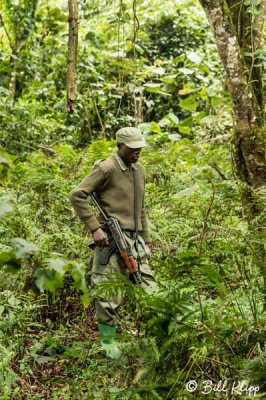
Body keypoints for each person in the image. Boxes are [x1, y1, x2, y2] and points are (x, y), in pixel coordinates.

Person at [69, 127, 157, 358]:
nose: (137, 152)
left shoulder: (139, 170)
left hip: (135, 240)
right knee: (108, 294)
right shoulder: (106, 167)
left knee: (150, 288)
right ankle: (108, 346)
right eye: (132, 148)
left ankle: (159, 340)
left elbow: (142, 208)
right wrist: (95, 227)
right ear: (120, 146)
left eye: (139, 148)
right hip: (111, 238)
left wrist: (146, 241)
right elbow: (77, 194)